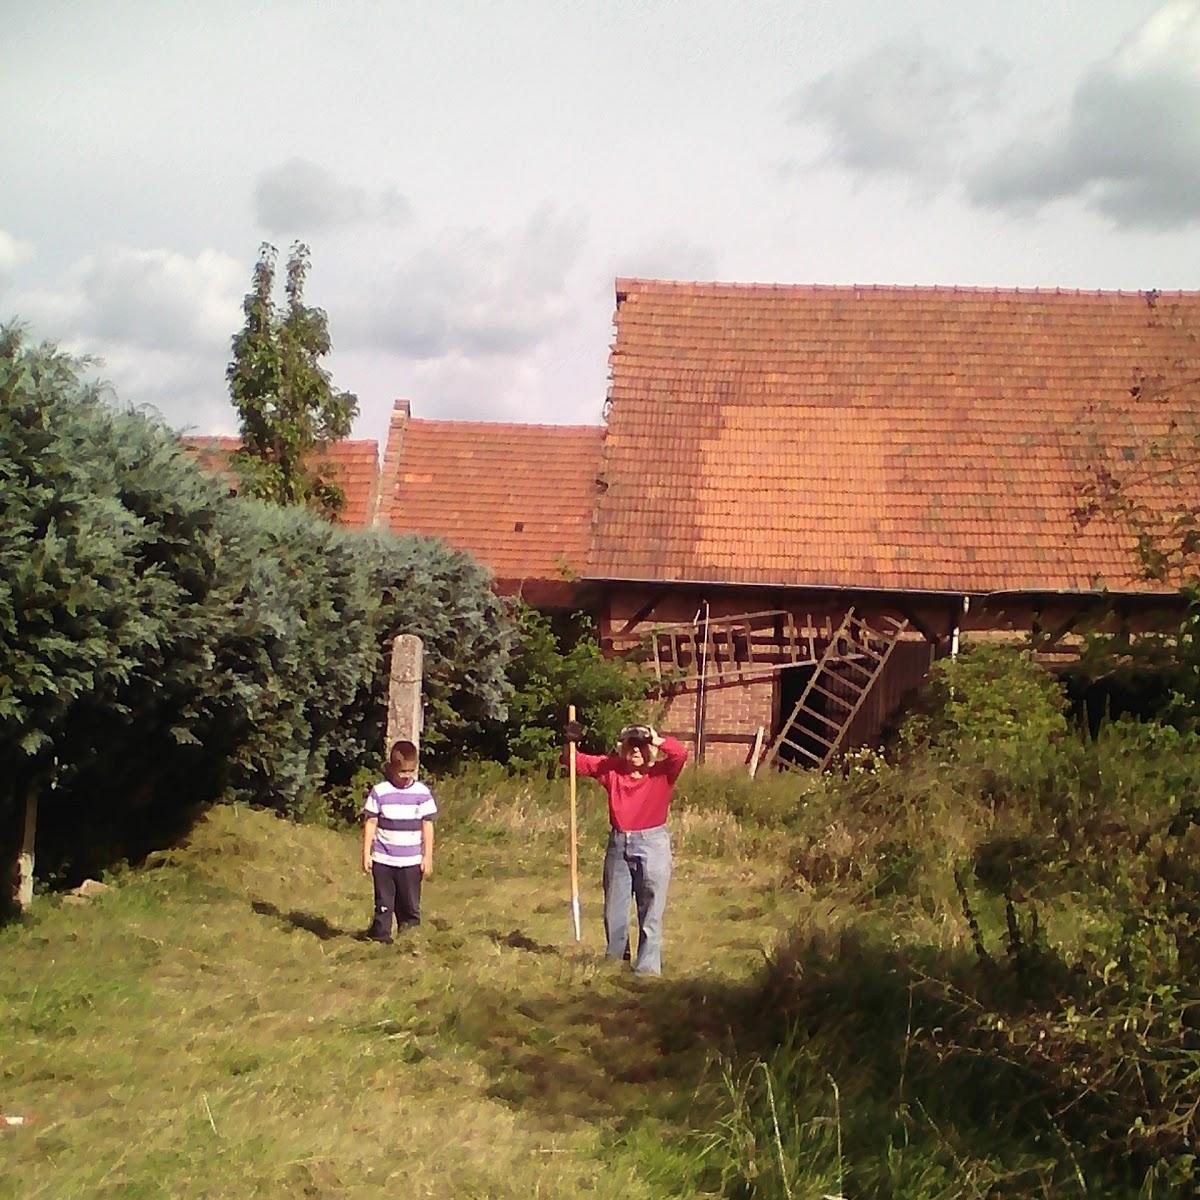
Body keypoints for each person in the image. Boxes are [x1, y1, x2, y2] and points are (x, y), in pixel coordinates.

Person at [564, 721, 688, 975]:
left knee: (651, 907)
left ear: (650, 749)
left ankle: (647, 968)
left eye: (641, 746)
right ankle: (616, 960)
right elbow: (573, 761)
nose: (636, 751)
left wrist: (655, 738)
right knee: (614, 907)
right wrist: (570, 741)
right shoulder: (612, 769)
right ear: (624, 748)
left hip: (652, 844)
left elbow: (680, 753)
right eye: (631, 745)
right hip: (619, 843)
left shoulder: (663, 772)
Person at [361, 739, 436, 944]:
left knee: (409, 905)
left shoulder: (421, 793)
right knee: (384, 903)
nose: (406, 777)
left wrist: (427, 857)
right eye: (402, 772)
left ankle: (410, 940)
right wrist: (367, 854)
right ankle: (380, 939)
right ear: (392, 768)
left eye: (410, 772)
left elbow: (427, 826)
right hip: (383, 860)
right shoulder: (380, 792)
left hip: (411, 862)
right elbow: (371, 822)